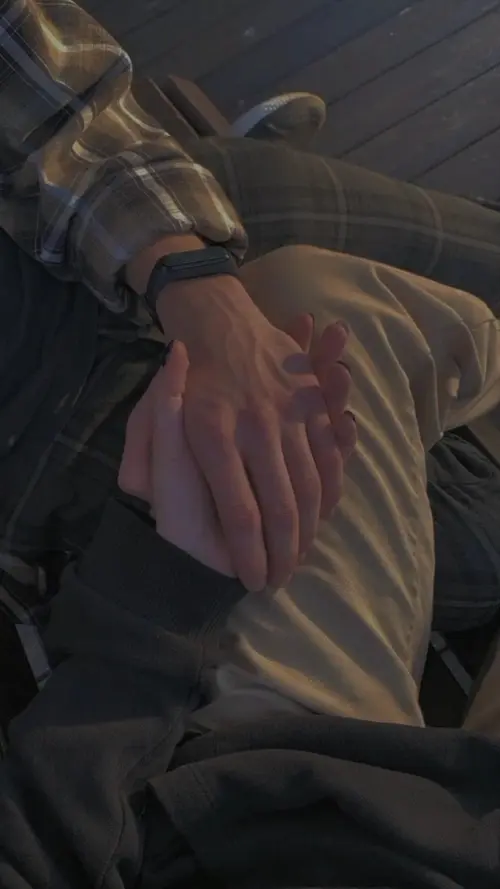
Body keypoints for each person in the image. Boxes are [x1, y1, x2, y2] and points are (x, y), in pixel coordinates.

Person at [2, 243, 500, 887]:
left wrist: (163, 587)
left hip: (280, 794)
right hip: (356, 813)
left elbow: (52, 842)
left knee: (307, 314)